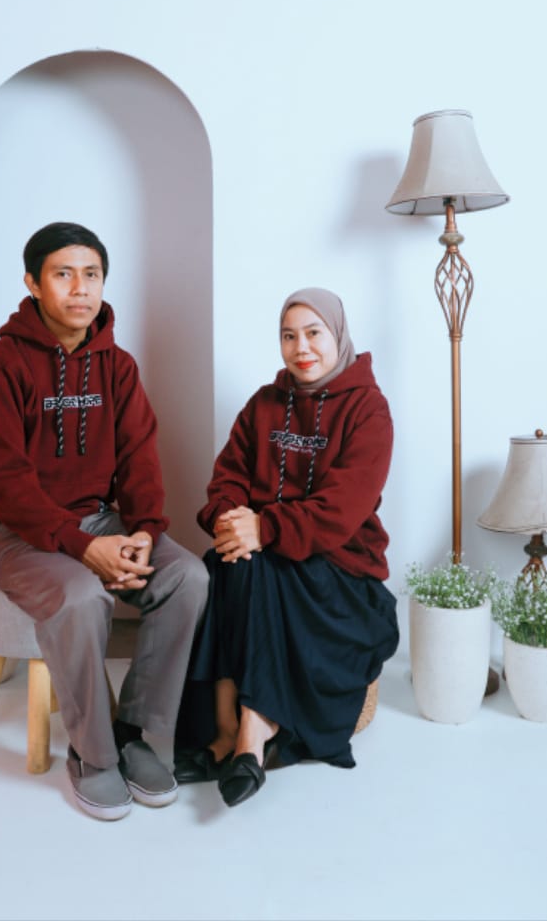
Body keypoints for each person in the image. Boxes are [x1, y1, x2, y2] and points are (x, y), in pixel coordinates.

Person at [0, 221, 208, 821]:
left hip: (99, 519)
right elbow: (8, 485)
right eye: (64, 274)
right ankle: (93, 755)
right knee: (80, 596)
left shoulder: (117, 366)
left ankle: (133, 734)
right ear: (33, 283)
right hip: (13, 530)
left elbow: (140, 459)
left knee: (188, 577)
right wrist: (81, 547)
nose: (81, 288)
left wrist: (143, 533)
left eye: (92, 274)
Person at [174, 287, 399, 807]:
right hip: (265, 556)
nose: (302, 348)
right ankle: (234, 730)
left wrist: (264, 528)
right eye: (289, 336)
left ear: (337, 335)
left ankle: (247, 730)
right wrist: (232, 522)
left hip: (341, 571)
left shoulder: (369, 409)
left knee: (254, 566)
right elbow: (226, 479)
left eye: (314, 333)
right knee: (227, 562)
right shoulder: (264, 404)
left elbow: (342, 510)